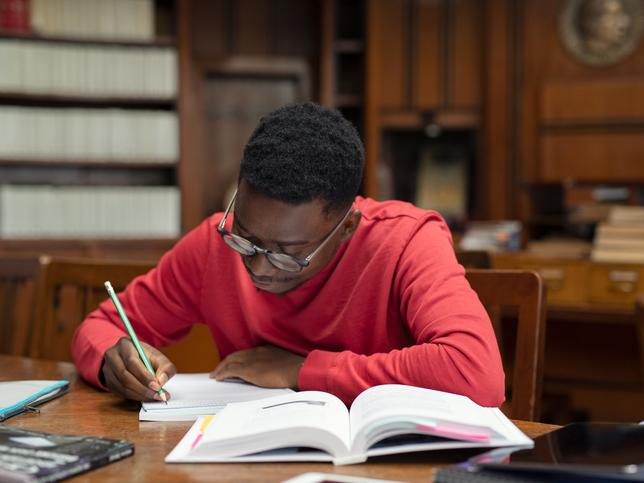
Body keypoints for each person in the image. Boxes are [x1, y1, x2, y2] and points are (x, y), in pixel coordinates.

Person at [71, 102, 504, 407]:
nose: (257, 266)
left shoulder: (406, 240)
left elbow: (474, 371)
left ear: (346, 226)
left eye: (288, 253)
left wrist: (302, 371)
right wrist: (114, 361)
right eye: (244, 235)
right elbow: (101, 326)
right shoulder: (212, 245)